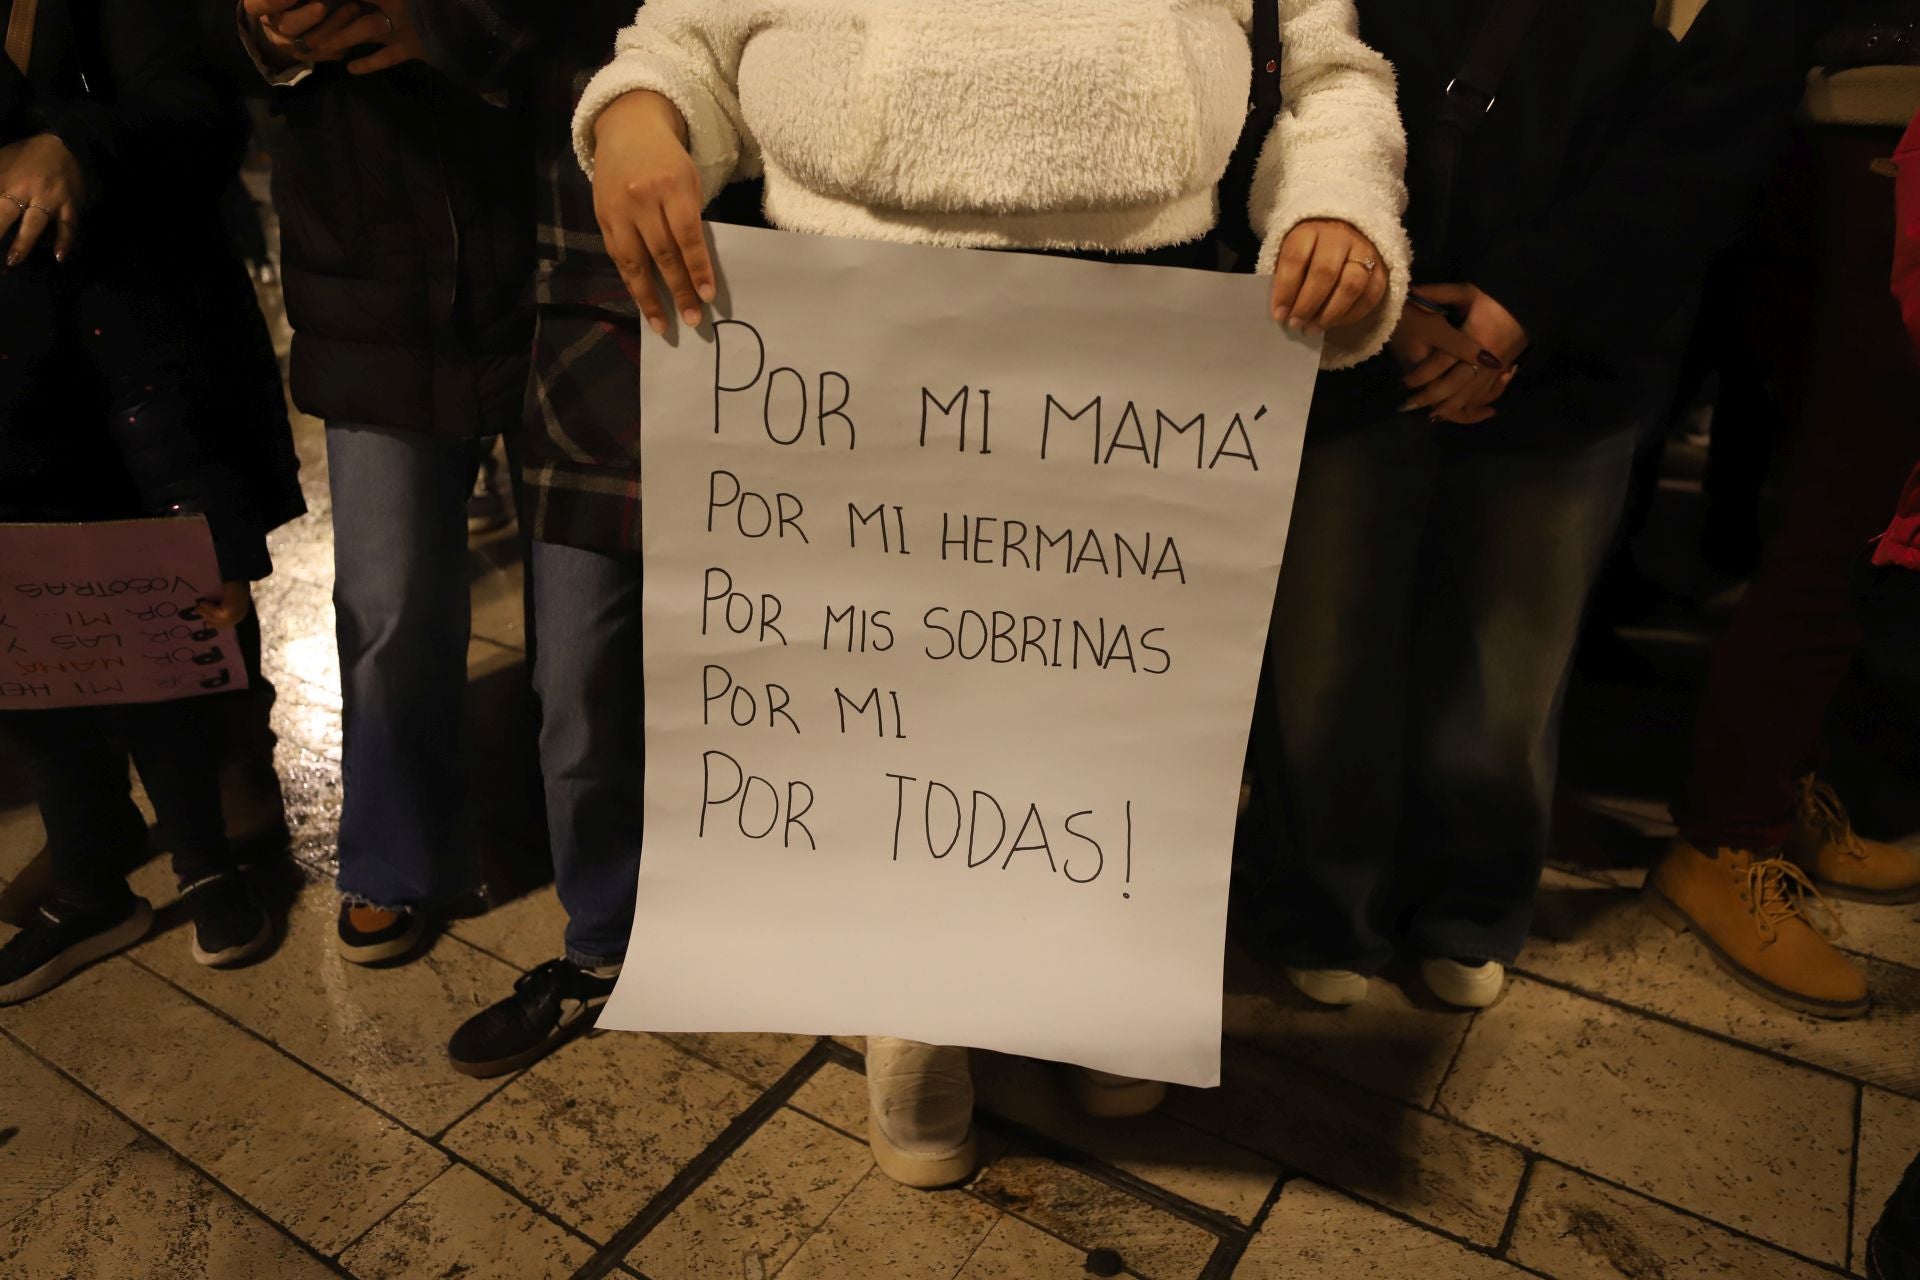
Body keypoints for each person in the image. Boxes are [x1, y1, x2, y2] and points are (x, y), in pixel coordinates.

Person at [575, 0, 1410, 1187]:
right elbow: (684, 45)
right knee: (893, 714)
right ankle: (913, 1011)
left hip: (1147, 313)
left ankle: (1102, 992)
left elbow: (1328, 73)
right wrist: (640, 120)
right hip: (849, 315)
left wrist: (1336, 205)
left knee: (1103, 725)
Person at [1252, 0, 1798, 1012]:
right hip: (1360, 310)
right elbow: (1310, 65)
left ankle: (1470, 903)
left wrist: (1525, 307)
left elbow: (1708, 142)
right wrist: (1387, 292)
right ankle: (1325, 903)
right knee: (1324, 656)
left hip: (1582, 350)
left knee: (1510, 672)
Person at [228, 0, 536, 964]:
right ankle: (395, 852)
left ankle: (603, 833)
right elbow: (196, 51)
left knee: (593, 606)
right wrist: (267, 31)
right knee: (385, 595)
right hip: (364, 263)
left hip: (547, 233)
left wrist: (452, 27)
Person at [0, 0, 296, 1002]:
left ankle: (209, 848)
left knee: (156, 607)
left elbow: (201, 110)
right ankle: (90, 868)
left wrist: (69, 142)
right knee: (25, 635)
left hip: (124, 350)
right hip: (16, 373)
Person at [1647, 42, 1920, 1020]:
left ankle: (1771, 789)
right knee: (1856, 510)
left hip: (1856, 121)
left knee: (1852, 506)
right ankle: (1728, 838)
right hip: (1874, 124)